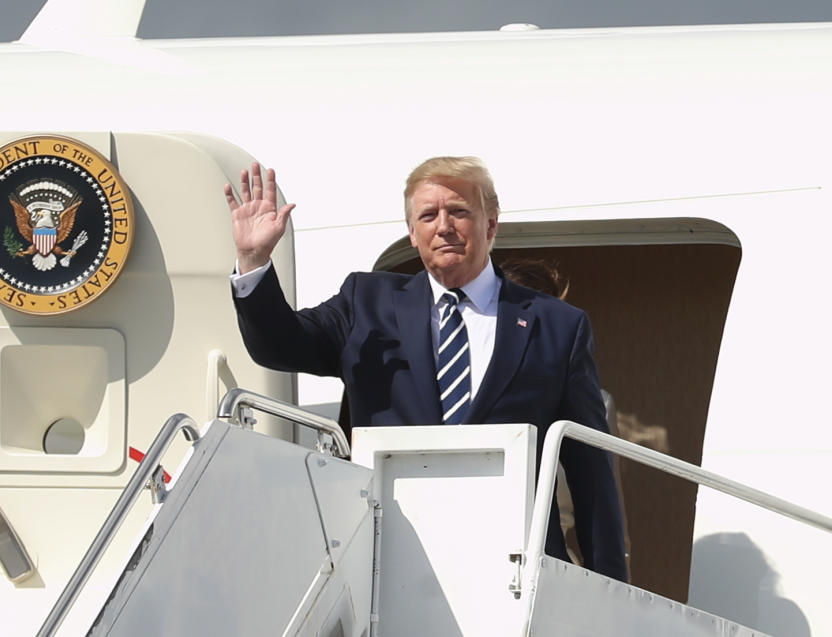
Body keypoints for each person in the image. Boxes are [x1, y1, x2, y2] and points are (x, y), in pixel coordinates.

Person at [226, 157, 628, 582]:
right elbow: (279, 345)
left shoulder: (558, 325)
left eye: (458, 211)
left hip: (514, 571)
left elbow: (591, 473)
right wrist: (253, 261)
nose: (444, 226)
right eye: (428, 215)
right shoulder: (367, 302)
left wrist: (613, 594)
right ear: (412, 232)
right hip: (392, 565)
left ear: (490, 224)